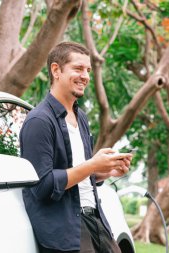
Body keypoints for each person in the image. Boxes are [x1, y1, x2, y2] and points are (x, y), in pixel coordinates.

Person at [20, 41, 132, 253]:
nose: (86, 76)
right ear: (56, 70)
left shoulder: (80, 117)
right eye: (78, 68)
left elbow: (77, 176)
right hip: (66, 231)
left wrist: (104, 172)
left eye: (88, 70)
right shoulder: (39, 121)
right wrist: (91, 166)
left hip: (96, 221)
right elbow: (43, 186)